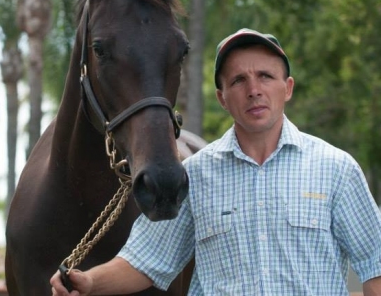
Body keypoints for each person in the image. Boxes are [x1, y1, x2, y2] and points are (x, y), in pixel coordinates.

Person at [51, 28, 381, 295]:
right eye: (238, 80)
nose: (254, 90)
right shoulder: (194, 175)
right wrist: (91, 282)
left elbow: (375, 265)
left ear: (287, 88)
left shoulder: (336, 170)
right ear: (222, 98)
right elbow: (143, 261)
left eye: (265, 76)